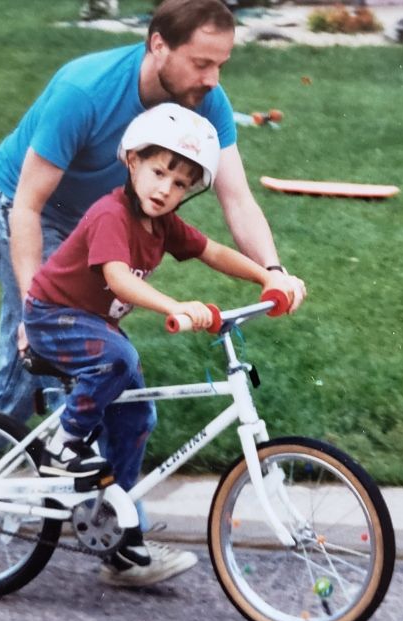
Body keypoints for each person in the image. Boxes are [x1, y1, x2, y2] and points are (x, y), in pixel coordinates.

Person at [0, 0, 306, 579]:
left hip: (111, 222)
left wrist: (272, 271)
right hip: (27, 207)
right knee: (34, 369)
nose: (213, 79)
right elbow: (27, 205)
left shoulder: (205, 103)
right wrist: (34, 312)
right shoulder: (86, 90)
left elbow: (237, 199)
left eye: (221, 64)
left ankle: (115, 537)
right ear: (158, 45)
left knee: (113, 389)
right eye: (202, 63)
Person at [26, 103, 284, 585]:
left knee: (136, 419)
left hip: (94, 323)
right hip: (53, 316)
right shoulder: (111, 214)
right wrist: (175, 305)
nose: (166, 189)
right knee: (118, 358)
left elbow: (213, 251)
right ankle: (62, 443)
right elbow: (118, 278)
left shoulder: (162, 224)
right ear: (132, 162)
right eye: (159, 172)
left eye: (180, 183)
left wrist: (269, 276)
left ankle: (114, 532)